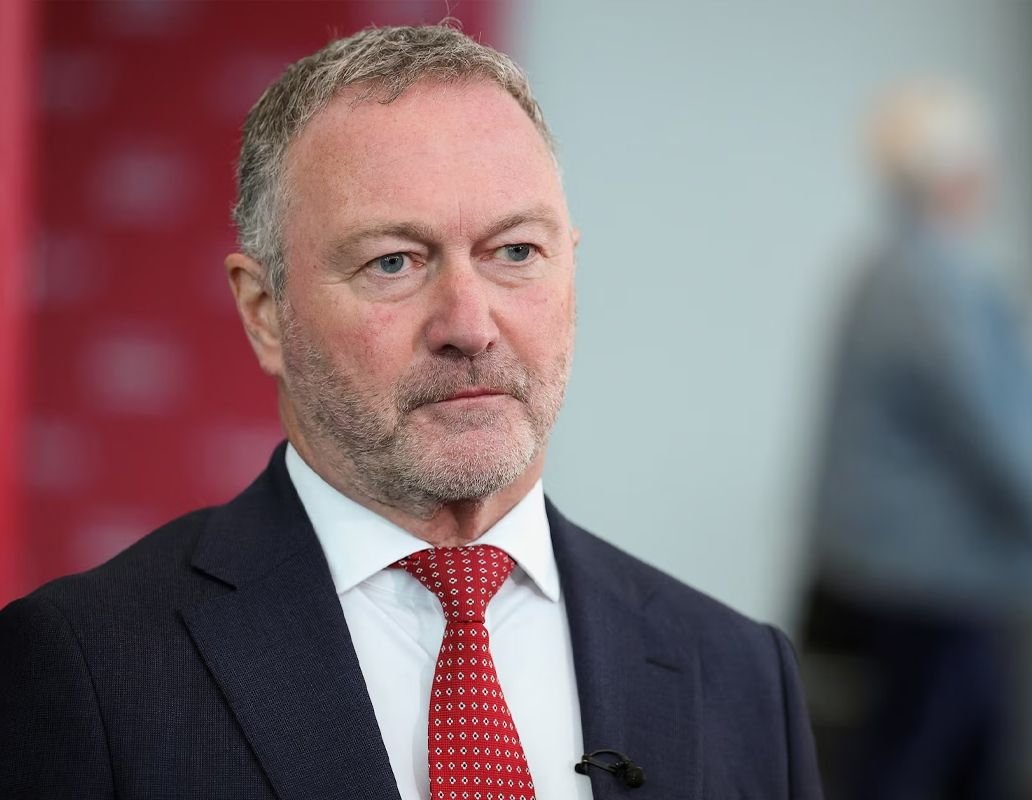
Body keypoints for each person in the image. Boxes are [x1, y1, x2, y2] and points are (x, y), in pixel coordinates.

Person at [0, 25, 822, 800]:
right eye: (393, 262)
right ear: (263, 312)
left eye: (515, 252)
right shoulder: (86, 668)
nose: (469, 325)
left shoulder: (740, 674)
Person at [807, 80, 1032, 800]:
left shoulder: (884, 270)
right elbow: (1001, 437)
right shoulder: (937, 283)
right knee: (933, 771)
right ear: (960, 173)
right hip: (936, 590)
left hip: (899, 583)